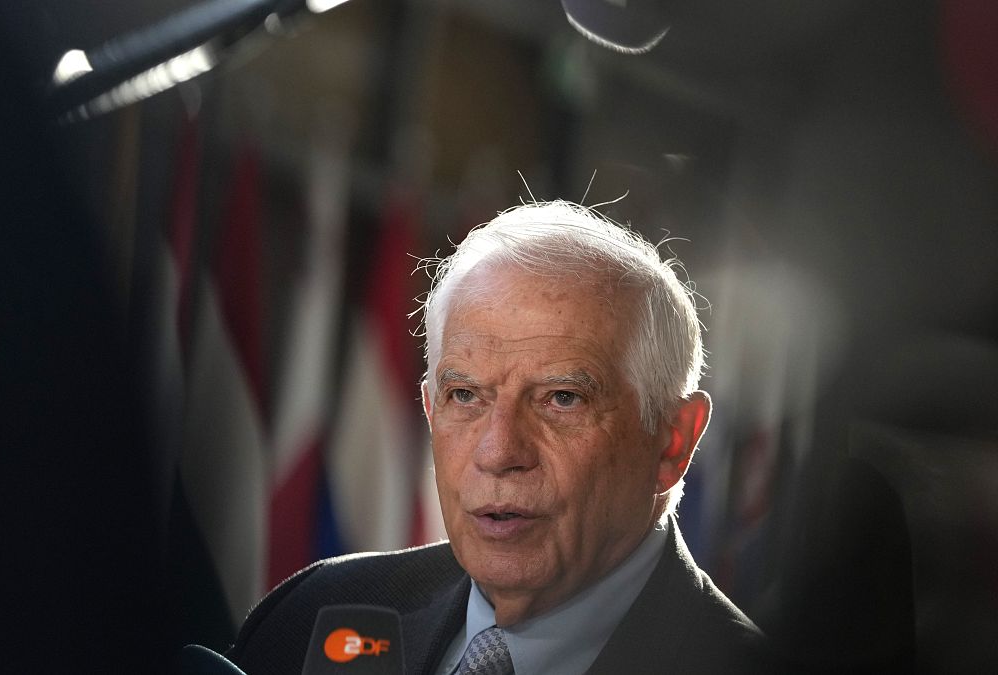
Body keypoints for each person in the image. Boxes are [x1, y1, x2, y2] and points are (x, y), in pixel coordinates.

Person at [226, 200, 768, 674]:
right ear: (430, 410)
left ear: (673, 440)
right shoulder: (308, 618)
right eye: (465, 396)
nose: (498, 452)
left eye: (562, 399)